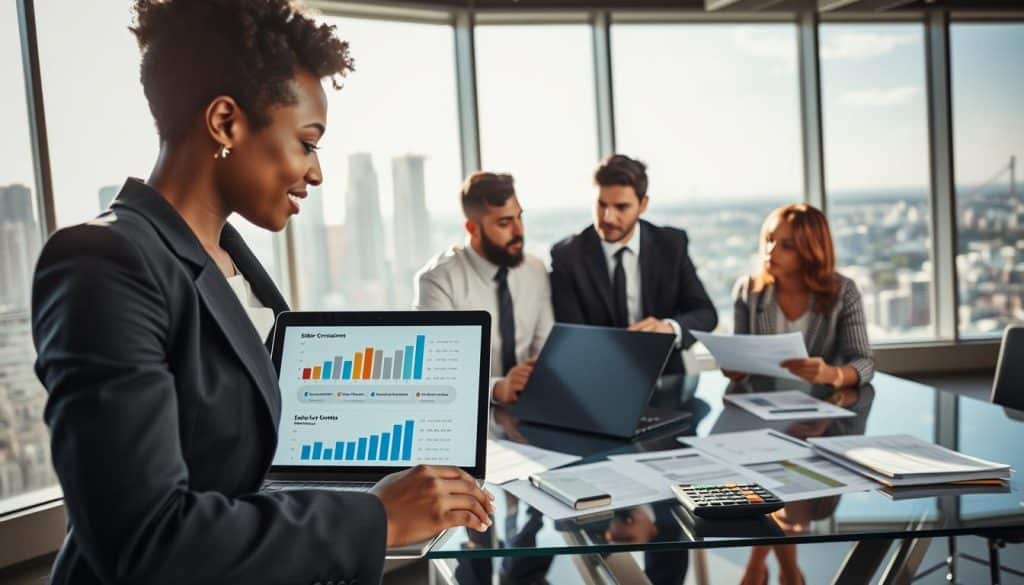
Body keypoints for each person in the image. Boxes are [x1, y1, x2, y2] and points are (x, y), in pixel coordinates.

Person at [31, 2, 492, 584]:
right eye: (307, 142)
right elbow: (145, 539)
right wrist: (376, 515)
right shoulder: (102, 264)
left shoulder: (235, 265)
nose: (316, 172)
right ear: (225, 122)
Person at [550, 154, 717, 374]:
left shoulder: (671, 245)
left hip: (665, 377)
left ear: (643, 204)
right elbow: (574, 338)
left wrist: (669, 328)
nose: (608, 218)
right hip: (597, 376)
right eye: (601, 205)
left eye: (621, 207)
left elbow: (705, 313)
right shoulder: (567, 256)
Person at [414, 172, 553, 404]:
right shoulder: (438, 280)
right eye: (504, 223)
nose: (519, 232)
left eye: (519, 218)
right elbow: (436, 373)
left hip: (531, 405)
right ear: (472, 228)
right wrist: (498, 388)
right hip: (467, 410)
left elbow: (544, 351)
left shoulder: (535, 270)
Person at [730, 203, 874, 387]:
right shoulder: (748, 291)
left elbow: (864, 362)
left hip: (825, 401)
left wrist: (833, 375)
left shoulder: (844, 292)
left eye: (787, 245)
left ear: (811, 251)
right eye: (769, 239)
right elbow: (738, 355)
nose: (770, 251)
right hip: (762, 400)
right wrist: (735, 367)